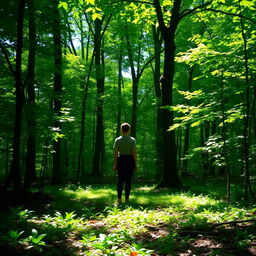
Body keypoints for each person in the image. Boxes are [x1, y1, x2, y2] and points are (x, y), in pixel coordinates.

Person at [113, 123, 137, 204]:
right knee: (128, 180)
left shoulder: (117, 140)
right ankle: (127, 199)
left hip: (121, 160)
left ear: (121, 130)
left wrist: (115, 164)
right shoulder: (132, 140)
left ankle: (119, 199)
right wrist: (135, 163)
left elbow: (116, 153)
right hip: (130, 160)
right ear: (129, 130)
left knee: (120, 180)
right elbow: (134, 152)